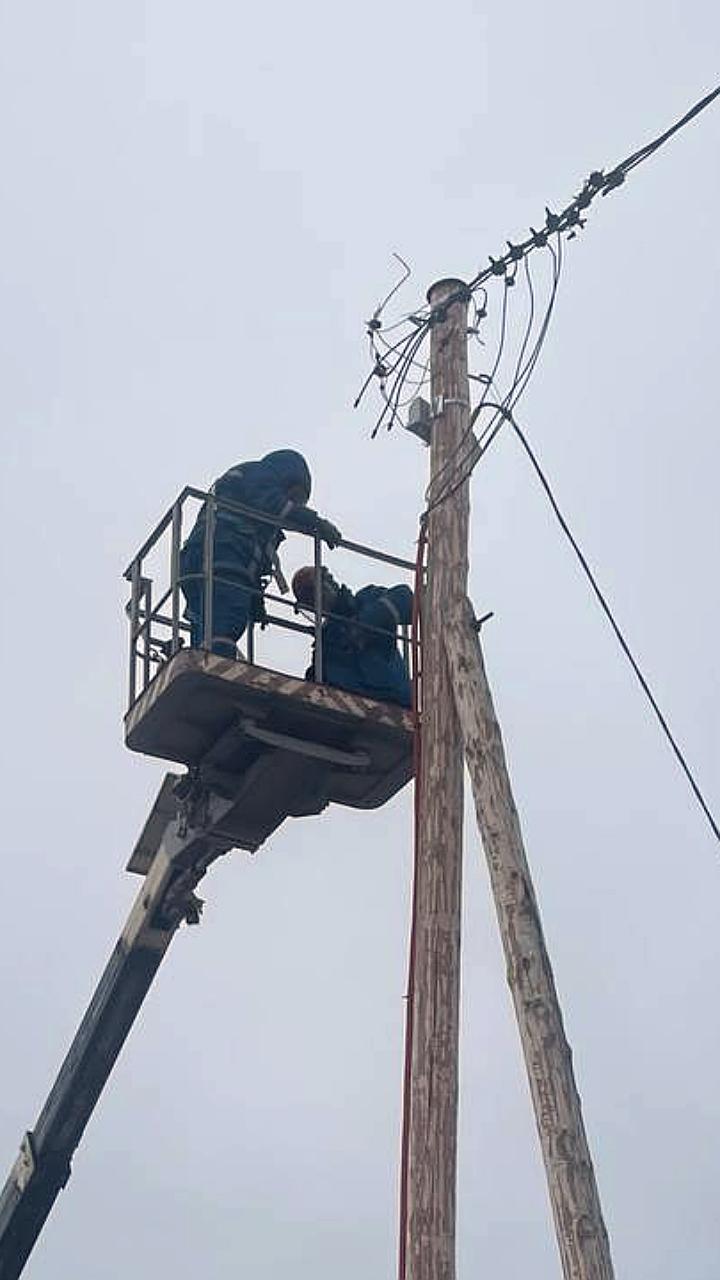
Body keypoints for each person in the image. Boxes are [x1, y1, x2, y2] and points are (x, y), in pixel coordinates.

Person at [180, 450, 341, 658]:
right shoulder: (260, 475)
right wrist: (317, 523)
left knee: (205, 618)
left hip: (203, 557)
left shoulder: (249, 503)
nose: (295, 504)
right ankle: (215, 663)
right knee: (226, 617)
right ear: (289, 477)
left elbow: (255, 566)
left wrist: (255, 601)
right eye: (296, 497)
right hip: (225, 552)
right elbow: (276, 506)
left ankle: (201, 659)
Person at [292, 565, 413, 707]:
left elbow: (405, 599)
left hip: (394, 699)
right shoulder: (326, 646)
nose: (316, 601)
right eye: (310, 600)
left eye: (315, 594)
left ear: (329, 583)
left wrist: (366, 623)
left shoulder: (366, 600)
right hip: (356, 705)